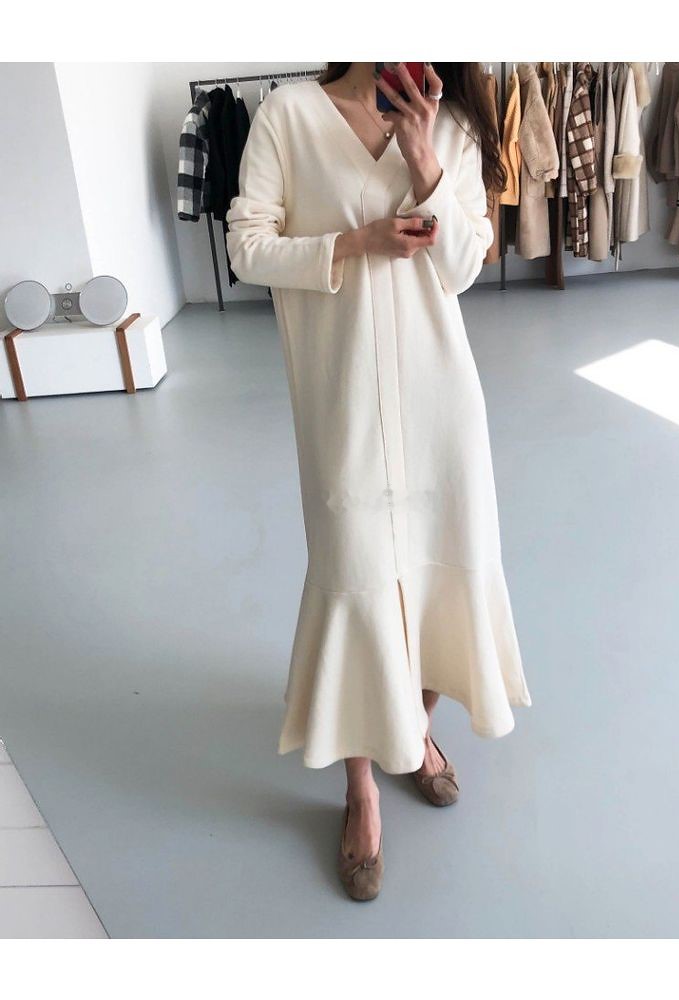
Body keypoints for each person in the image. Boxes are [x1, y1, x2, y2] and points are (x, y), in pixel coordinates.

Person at [226, 62, 531, 902]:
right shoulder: (290, 115)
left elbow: (463, 266)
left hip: (441, 400)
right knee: (357, 583)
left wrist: (424, 155)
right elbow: (246, 247)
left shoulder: (454, 124)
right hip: (343, 402)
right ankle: (361, 791)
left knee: (440, 578)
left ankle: (414, 736)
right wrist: (353, 243)